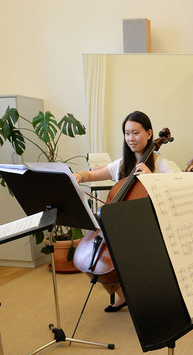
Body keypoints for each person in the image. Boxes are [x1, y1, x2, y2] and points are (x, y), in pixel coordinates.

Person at [74, 110, 179, 312]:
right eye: (127, 133)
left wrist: (153, 178)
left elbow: (182, 187)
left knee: (123, 254)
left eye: (136, 133)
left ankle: (149, 296)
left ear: (149, 134)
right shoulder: (122, 165)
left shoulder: (162, 164)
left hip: (151, 229)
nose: (131, 138)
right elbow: (91, 175)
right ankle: (122, 294)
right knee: (95, 256)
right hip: (123, 228)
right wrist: (79, 175)